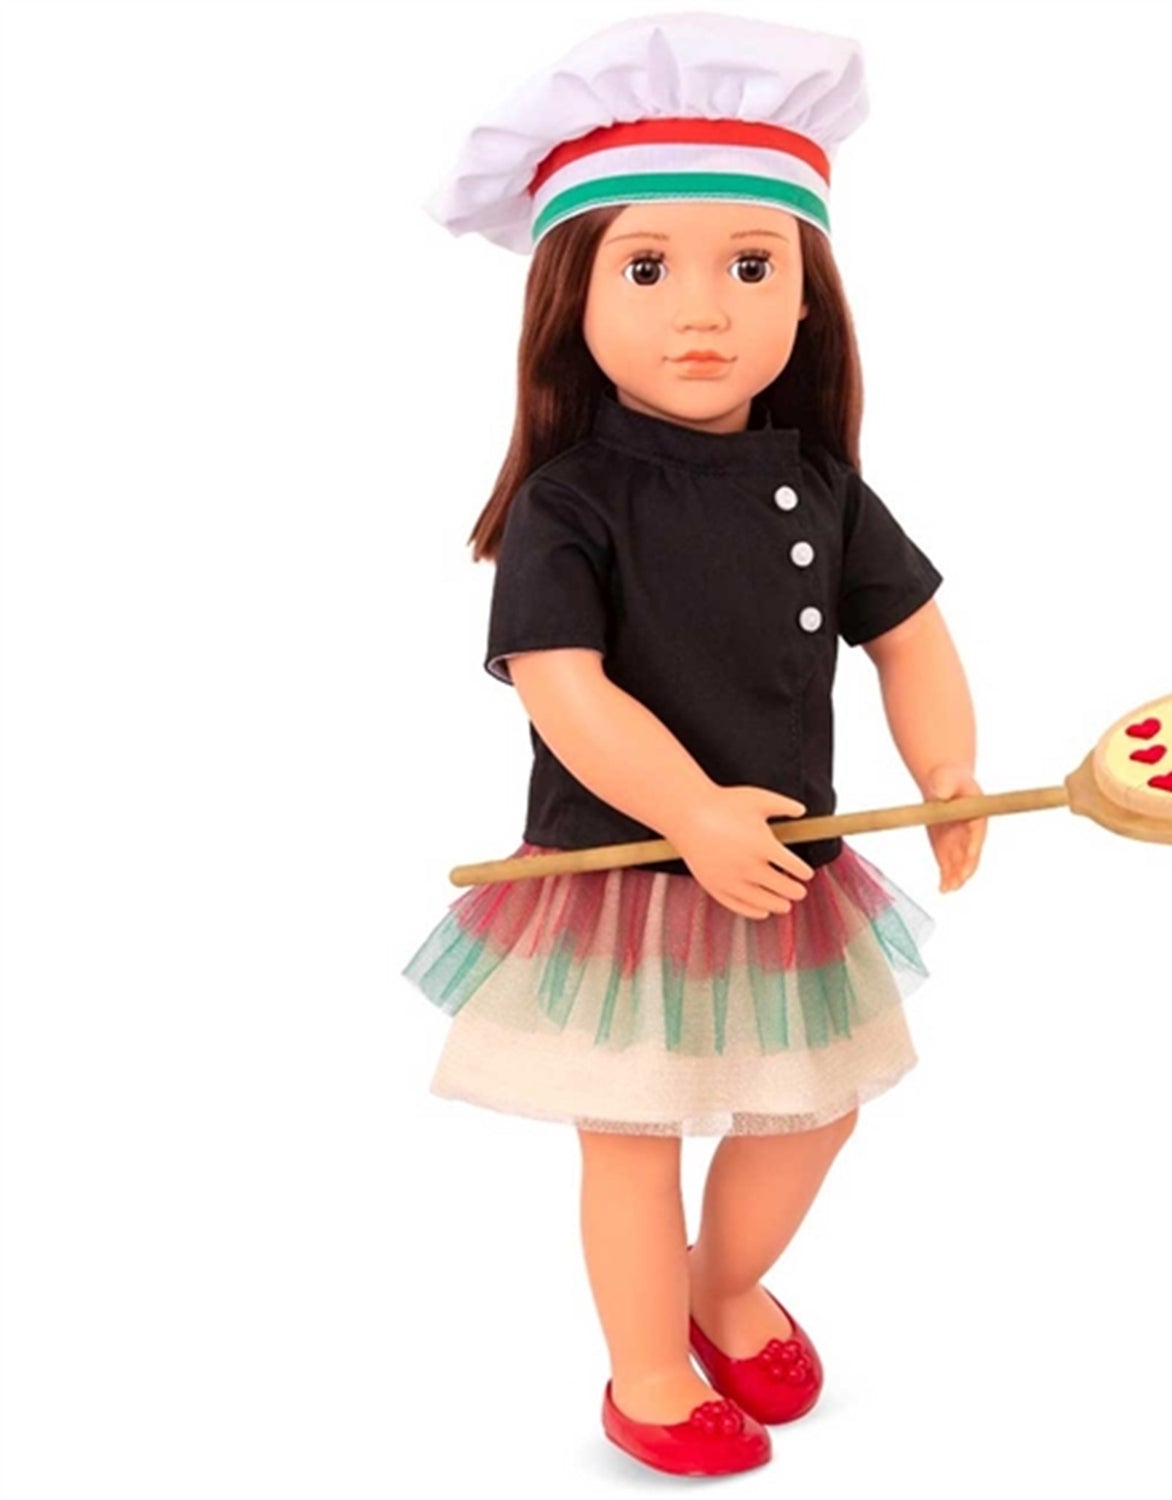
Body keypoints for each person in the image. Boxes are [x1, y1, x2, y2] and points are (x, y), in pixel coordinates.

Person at [404, 12, 986, 1479]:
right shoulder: (571, 502)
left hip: (788, 869)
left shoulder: (822, 486)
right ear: (573, 298)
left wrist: (948, 772)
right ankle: (648, 1372)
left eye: (753, 266)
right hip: (624, 871)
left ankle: (723, 1288)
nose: (704, 311)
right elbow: (564, 688)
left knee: (816, 1109)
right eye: (649, 268)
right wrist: (694, 811)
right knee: (633, 1133)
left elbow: (910, 634)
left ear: (808, 298)